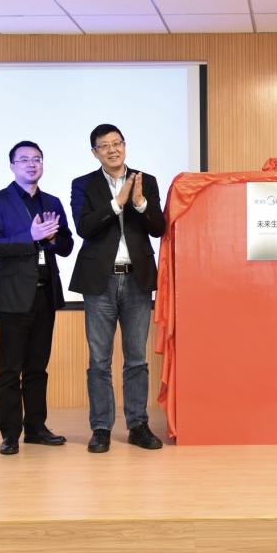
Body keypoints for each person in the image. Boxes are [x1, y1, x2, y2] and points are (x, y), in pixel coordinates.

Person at [70, 124, 166, 452]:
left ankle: (138, 425)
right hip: (101, 281)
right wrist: (116, 203)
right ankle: (101, 428)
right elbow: (84, 227)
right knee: (99, 359)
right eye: (104, 146)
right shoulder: (83, 184)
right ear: (94, 152)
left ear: (125, 145)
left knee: (136, 358)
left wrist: (138, 203)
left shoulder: (145, 180)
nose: (112, 150)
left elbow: (158, 228)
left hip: (137, 279)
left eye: (117, 143)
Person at [0, 140, 73, 455]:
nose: (31, 164)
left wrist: (53, 238)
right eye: (24, 160)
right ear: (12, 166)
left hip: (46, 293)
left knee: (37, 367)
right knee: (10, 369)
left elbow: (67, 245)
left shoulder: (52, 201)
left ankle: (36, 427)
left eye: (37, 159)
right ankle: (9, 433)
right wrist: (30, 237)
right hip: (12, 297)